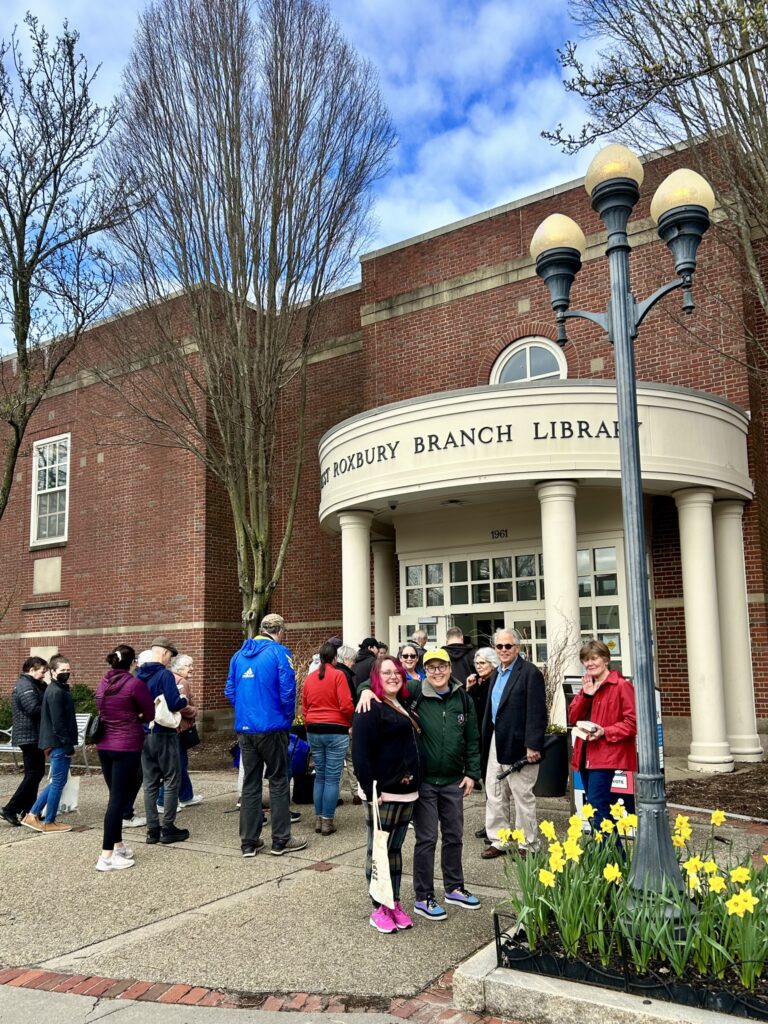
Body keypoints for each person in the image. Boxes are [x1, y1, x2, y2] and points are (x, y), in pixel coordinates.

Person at [358, 648, 482, 921]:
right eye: (432, 667)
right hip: (424, 782)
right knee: (426, 839)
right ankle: (423, 896)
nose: (437, 672)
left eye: (442, 667)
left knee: (454, 837)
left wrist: (472, 772)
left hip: (453, 780)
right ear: (426, 670)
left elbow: (473, 739)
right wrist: (365, 691)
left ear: (450, 668)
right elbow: (383, 682)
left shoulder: (462, 698)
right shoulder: (414, 691)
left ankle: (454, 887)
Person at [225, 613, 307, 857]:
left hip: (246, 728)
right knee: (279, 781)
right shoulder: (279, 653)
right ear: (280, 632)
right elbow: (288, 689)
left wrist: (245, 710)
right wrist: (285, 717)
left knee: (250, 784)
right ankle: (281, 839)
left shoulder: (239, 655)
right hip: (272, 727)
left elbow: (230, 689)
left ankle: (248, 841)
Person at [352, 657, 421, 934]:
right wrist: (369, 790)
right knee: (378, 850)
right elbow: (360, 752)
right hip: (382, 792)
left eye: (397, 672)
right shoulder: (370, 707)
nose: (393, 676)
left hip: (407, 792)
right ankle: (378, 907)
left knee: (393, 851)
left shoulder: (401, 704)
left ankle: (393, 902)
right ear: (376, 678)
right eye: (387, 673)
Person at [481, 628, 547, 860]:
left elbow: (538, 712)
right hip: (496, 741)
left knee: (522, 795)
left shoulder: (529, 673)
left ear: (517, 648)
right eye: (499, 646)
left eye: (508, 646)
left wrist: (533, 745)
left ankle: (527, 843)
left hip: (520, 745)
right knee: (495, 792)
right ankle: (499, 840)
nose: (503, 650)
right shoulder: (496, 673)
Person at [95, 644, 156, 871]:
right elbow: (149, 713)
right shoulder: (134, 684)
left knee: (116, 796)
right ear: (132, 663)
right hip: (126, 746)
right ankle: (106, 856)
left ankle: (118, 845)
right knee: (117, 802)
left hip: (104, 745)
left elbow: (102, 706)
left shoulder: (104, 682)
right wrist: (135, 714)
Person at [568, 639, 637, 832]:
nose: (589, 663)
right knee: (595, 809)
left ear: (606, 660)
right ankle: (609, 857)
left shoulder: (621, 686)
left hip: (605, 756)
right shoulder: (588, 686)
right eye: (586, 660)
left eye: (594, 658)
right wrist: (586, 696)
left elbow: (632, 723)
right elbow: (573, 717)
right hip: (585, 755)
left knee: (599, 809)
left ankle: (612, 858)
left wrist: (605, 731)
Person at [138, 637, 190, 845]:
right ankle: (168, 827)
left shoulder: (138, 675)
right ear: (165, 653)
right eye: (170, 655)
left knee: (149, 783)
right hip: (164, 732)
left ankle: (152, 829)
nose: (170, 660)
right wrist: (183, 700)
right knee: (171, 779)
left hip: (143, 733)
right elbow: (175, 703)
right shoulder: (164, 675)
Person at [302, 642, 354, 835]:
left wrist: (309, 724)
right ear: (335, 658)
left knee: (320, 776)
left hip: (314, 730)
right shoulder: (339, 675)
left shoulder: (310, 679)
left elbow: (304, 706)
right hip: (336, 729)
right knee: (332, 777)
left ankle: (318, 818)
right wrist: (349, 722)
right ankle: (327, 821)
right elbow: (346, 705)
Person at [23, 655, 77, 834]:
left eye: (68, 670)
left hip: (56, 742)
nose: (66, 673)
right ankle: (50, 821)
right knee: (58, 783)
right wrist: (67, 744)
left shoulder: (57, 690)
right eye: (62, 670)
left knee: (57, 781)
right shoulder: (55, 692)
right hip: (58, 743)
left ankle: (32, 815)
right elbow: (58, 722)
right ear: (53, 672)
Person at [0, 657, 49, 828]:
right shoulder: (24, 685)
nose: (44, 674)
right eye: (42, 671)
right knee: (34, 774)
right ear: (32, 669)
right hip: (29, 736)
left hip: (33, 735)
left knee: (34, 773)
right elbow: (33, 708)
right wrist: (53, 707)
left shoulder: (34, 684)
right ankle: (10, 809)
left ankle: (28, 811)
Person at [157, 654, 201, 813]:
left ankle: (186, 795)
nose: (192, 669)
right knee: (177, 765)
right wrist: (194, 710)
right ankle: (164, 801)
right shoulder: (181, 682)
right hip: (178, 728)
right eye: (189, 666)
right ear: (179, 668)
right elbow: (180, 705)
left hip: (171, 728)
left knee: (180, 763)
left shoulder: (169, 678)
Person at [466, 646, 499, 840]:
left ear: (492, 664)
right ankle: (490, 824)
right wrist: (469, 688)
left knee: (494, 786)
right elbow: (471, 710)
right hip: (480, 737)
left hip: (491, 737)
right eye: (477, 663)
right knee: (488, 784)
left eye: (482, 663)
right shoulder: (480, 682)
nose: (478, 666)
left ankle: (495, 826)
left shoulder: (495, 683)